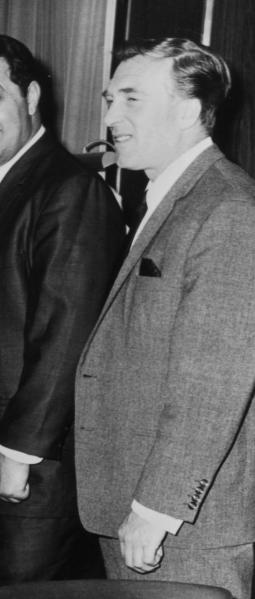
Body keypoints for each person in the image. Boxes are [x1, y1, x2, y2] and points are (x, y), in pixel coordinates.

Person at [0, 34, 124, 596]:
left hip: (27, 483)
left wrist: (14, 454)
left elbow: (66, 335)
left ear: (31, 96)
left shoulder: (69, 189)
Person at [75, 38, 255, 599]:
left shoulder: (227, 208)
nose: (109, 116)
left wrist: (156, 509)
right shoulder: (169, 198)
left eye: (130, 98)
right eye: (109, 99)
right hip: (138, 508)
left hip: (182, 526)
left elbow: (215, 379)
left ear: (186, 109)